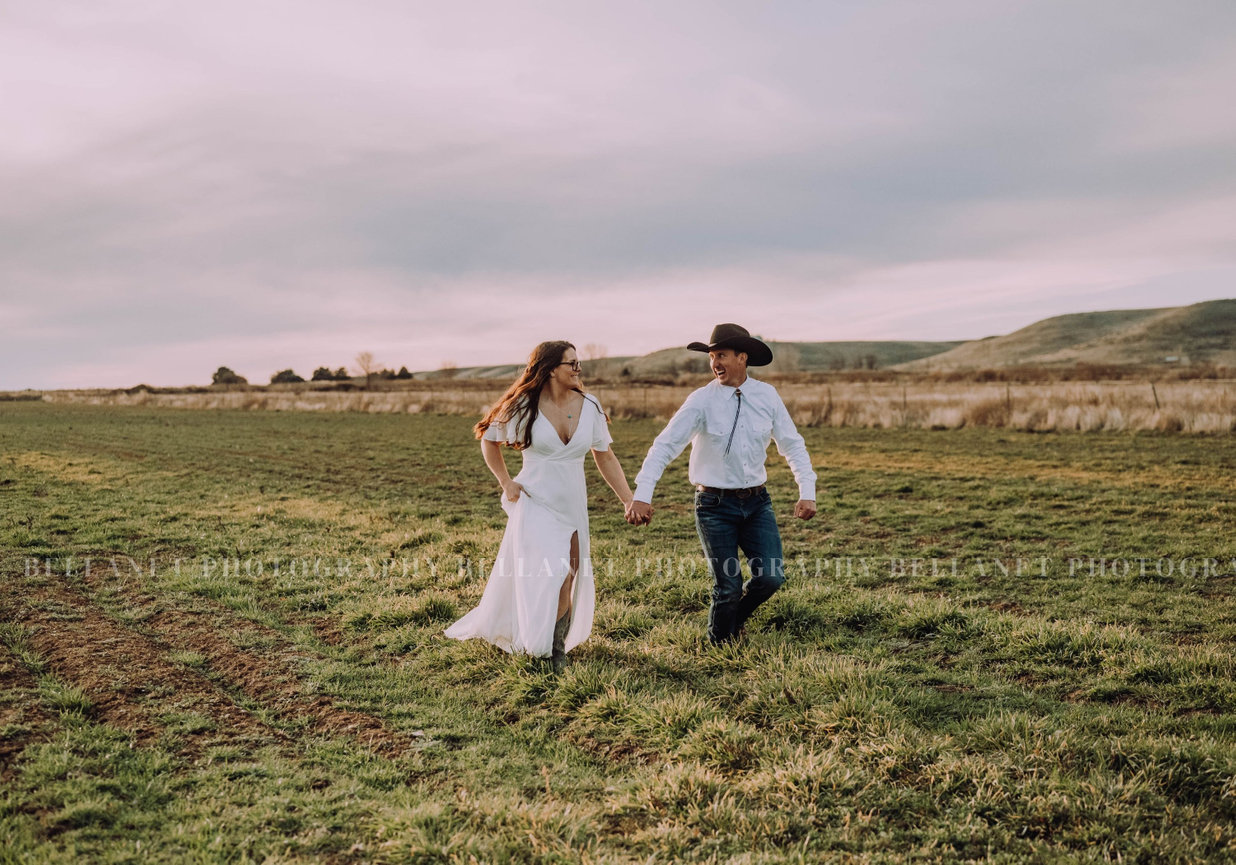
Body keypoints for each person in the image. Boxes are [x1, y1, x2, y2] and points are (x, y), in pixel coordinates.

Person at [446, 340, 638, 672]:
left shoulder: (590, 405)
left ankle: (551, 638)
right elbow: (489, 440)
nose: (579, 369)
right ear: (550, 369)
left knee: (571, 574)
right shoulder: (524, 404)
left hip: (572, 502)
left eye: (579, 363)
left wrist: (628, 499)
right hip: (535, 500)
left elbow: (605, 455)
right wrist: (506, 482)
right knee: (557, 573)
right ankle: (553, 652)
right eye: (572, 364)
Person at [625, 324, 816, 645]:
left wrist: (806, 490)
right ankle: (719, 644)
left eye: (722, 355)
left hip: (758, 503)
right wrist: (642, 494)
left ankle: (734, 619)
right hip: (714, 507)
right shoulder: (701, 400)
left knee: (771, 578)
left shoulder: (767, 396)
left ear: (743, 358)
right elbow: (664, 446)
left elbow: (792, 443)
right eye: (712, 356)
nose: (715, 362)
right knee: (727, 585)